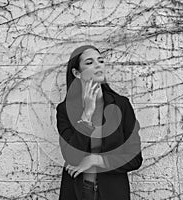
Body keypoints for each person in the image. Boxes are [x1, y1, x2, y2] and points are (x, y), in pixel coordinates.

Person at [56, 45, 143, 200]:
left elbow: (135, 158)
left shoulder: (121, 105)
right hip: (77, 191)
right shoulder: (65, 110)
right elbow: (71, 156)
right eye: (89, 62)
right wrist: (86, 116)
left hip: (113, 192)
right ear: (76, 73)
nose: (98, 65)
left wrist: (98, 160)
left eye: (100, 61)